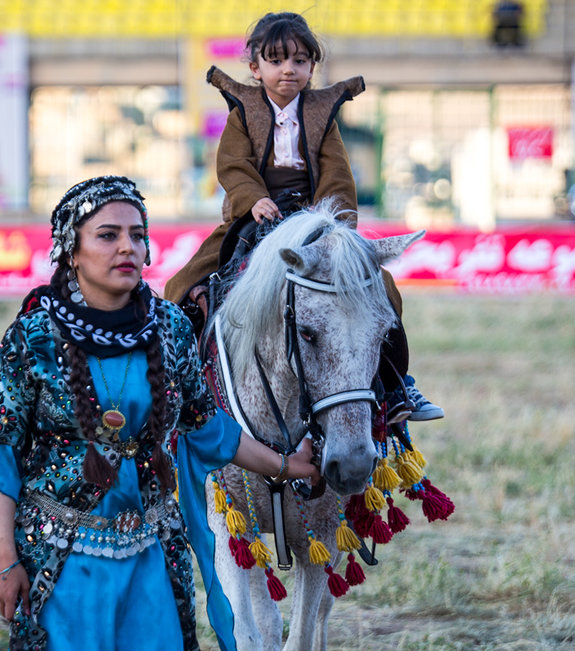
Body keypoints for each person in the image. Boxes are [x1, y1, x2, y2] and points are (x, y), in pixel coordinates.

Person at [0, 175, 320, 651]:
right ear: (70, 251)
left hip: (151, 558)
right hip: (63, 563)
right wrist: (6, 561)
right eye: (108, 235)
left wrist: (286, 465)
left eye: (138, 235)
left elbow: (209, 429)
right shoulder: (32, 338)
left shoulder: (172, 329)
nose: (128, 247)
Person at [164, 11, 443, 422]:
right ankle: (178, 386)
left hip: (314, 220)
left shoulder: (321, 117)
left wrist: (333, 225)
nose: (288, 70)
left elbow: (336, 175)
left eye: (299, 60)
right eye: (276, 61)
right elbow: (233, 166)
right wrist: (253, 199)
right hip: (253, 216)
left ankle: (396, 386)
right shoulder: (243, 113)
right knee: (181, 285)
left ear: (312, 66)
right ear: (255, 68)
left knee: (380, 287)